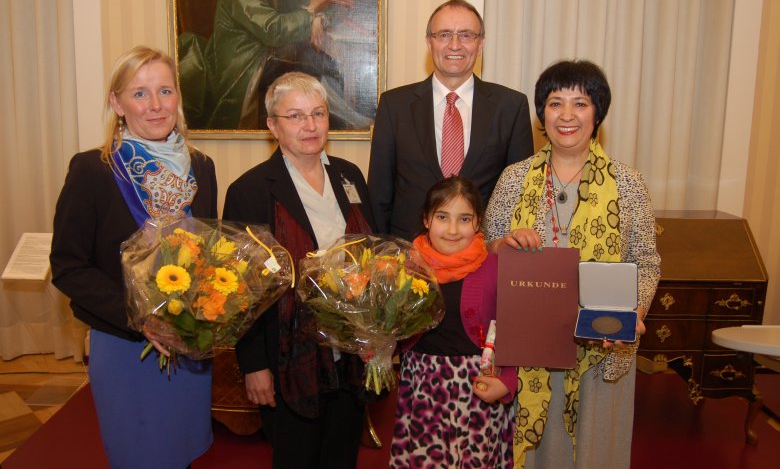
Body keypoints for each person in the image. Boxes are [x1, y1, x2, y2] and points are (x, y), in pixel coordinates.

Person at [483, 60, 661, 468]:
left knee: (597, 454)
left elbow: (646, 261)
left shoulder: (627, 183)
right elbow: (486, 250)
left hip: (602, 349)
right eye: (554, 103)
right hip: (529, 351)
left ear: (598, 112)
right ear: (541, 114)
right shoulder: (514, 179)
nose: (566, 115)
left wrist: (636, 312)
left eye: (579, 103)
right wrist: (501, 245)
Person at [50, 46, 217, 468]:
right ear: (116, 103)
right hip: (126, 343)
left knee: (183, 452)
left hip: (188, 343)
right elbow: (68, 265)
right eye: (140, 93)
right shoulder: (95, 170)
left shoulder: (201, 166)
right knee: (139, 454)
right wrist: (141, 317)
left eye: (165, 90)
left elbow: (210, 253)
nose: (157, 105)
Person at [222, 72, 375, 468]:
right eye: (295, 116)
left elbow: (374, 260)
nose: (310, 126)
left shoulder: (350, 176)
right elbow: (243, 292)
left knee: (341, 456)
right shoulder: (250, 190)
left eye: (318, 113)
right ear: (272, 125)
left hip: (351, 356)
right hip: (289, 359)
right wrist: (254, 365)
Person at [367, 0, 534, 241]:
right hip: (409, 259)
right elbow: (379, 195)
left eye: (466, 35)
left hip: (482, 259)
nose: (454, 45)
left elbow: (520, 195)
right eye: (444, 34)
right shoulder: (394, 105)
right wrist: (383, 257)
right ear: (429, 42)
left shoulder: (511, 107)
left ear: (481, 43)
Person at [390, 176, 516, 468]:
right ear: (426, 219)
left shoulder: (496, 268)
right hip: (421, 388)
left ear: (478, 222)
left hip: (479, 389)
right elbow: (394, 331)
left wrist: (507, 381)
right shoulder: (407, 268)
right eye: (442, 217)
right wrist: (375, 347)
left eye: (464, 219)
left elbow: (515, 331)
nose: (452, 229)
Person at [181, 0, 372, 131]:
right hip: (243, 69)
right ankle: (352, 122)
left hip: (263, 59)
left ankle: (350, 120)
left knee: (322, 65)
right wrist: (311, 13)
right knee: (310, 73)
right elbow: (272, 30)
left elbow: (292, 3)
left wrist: (317, 8)